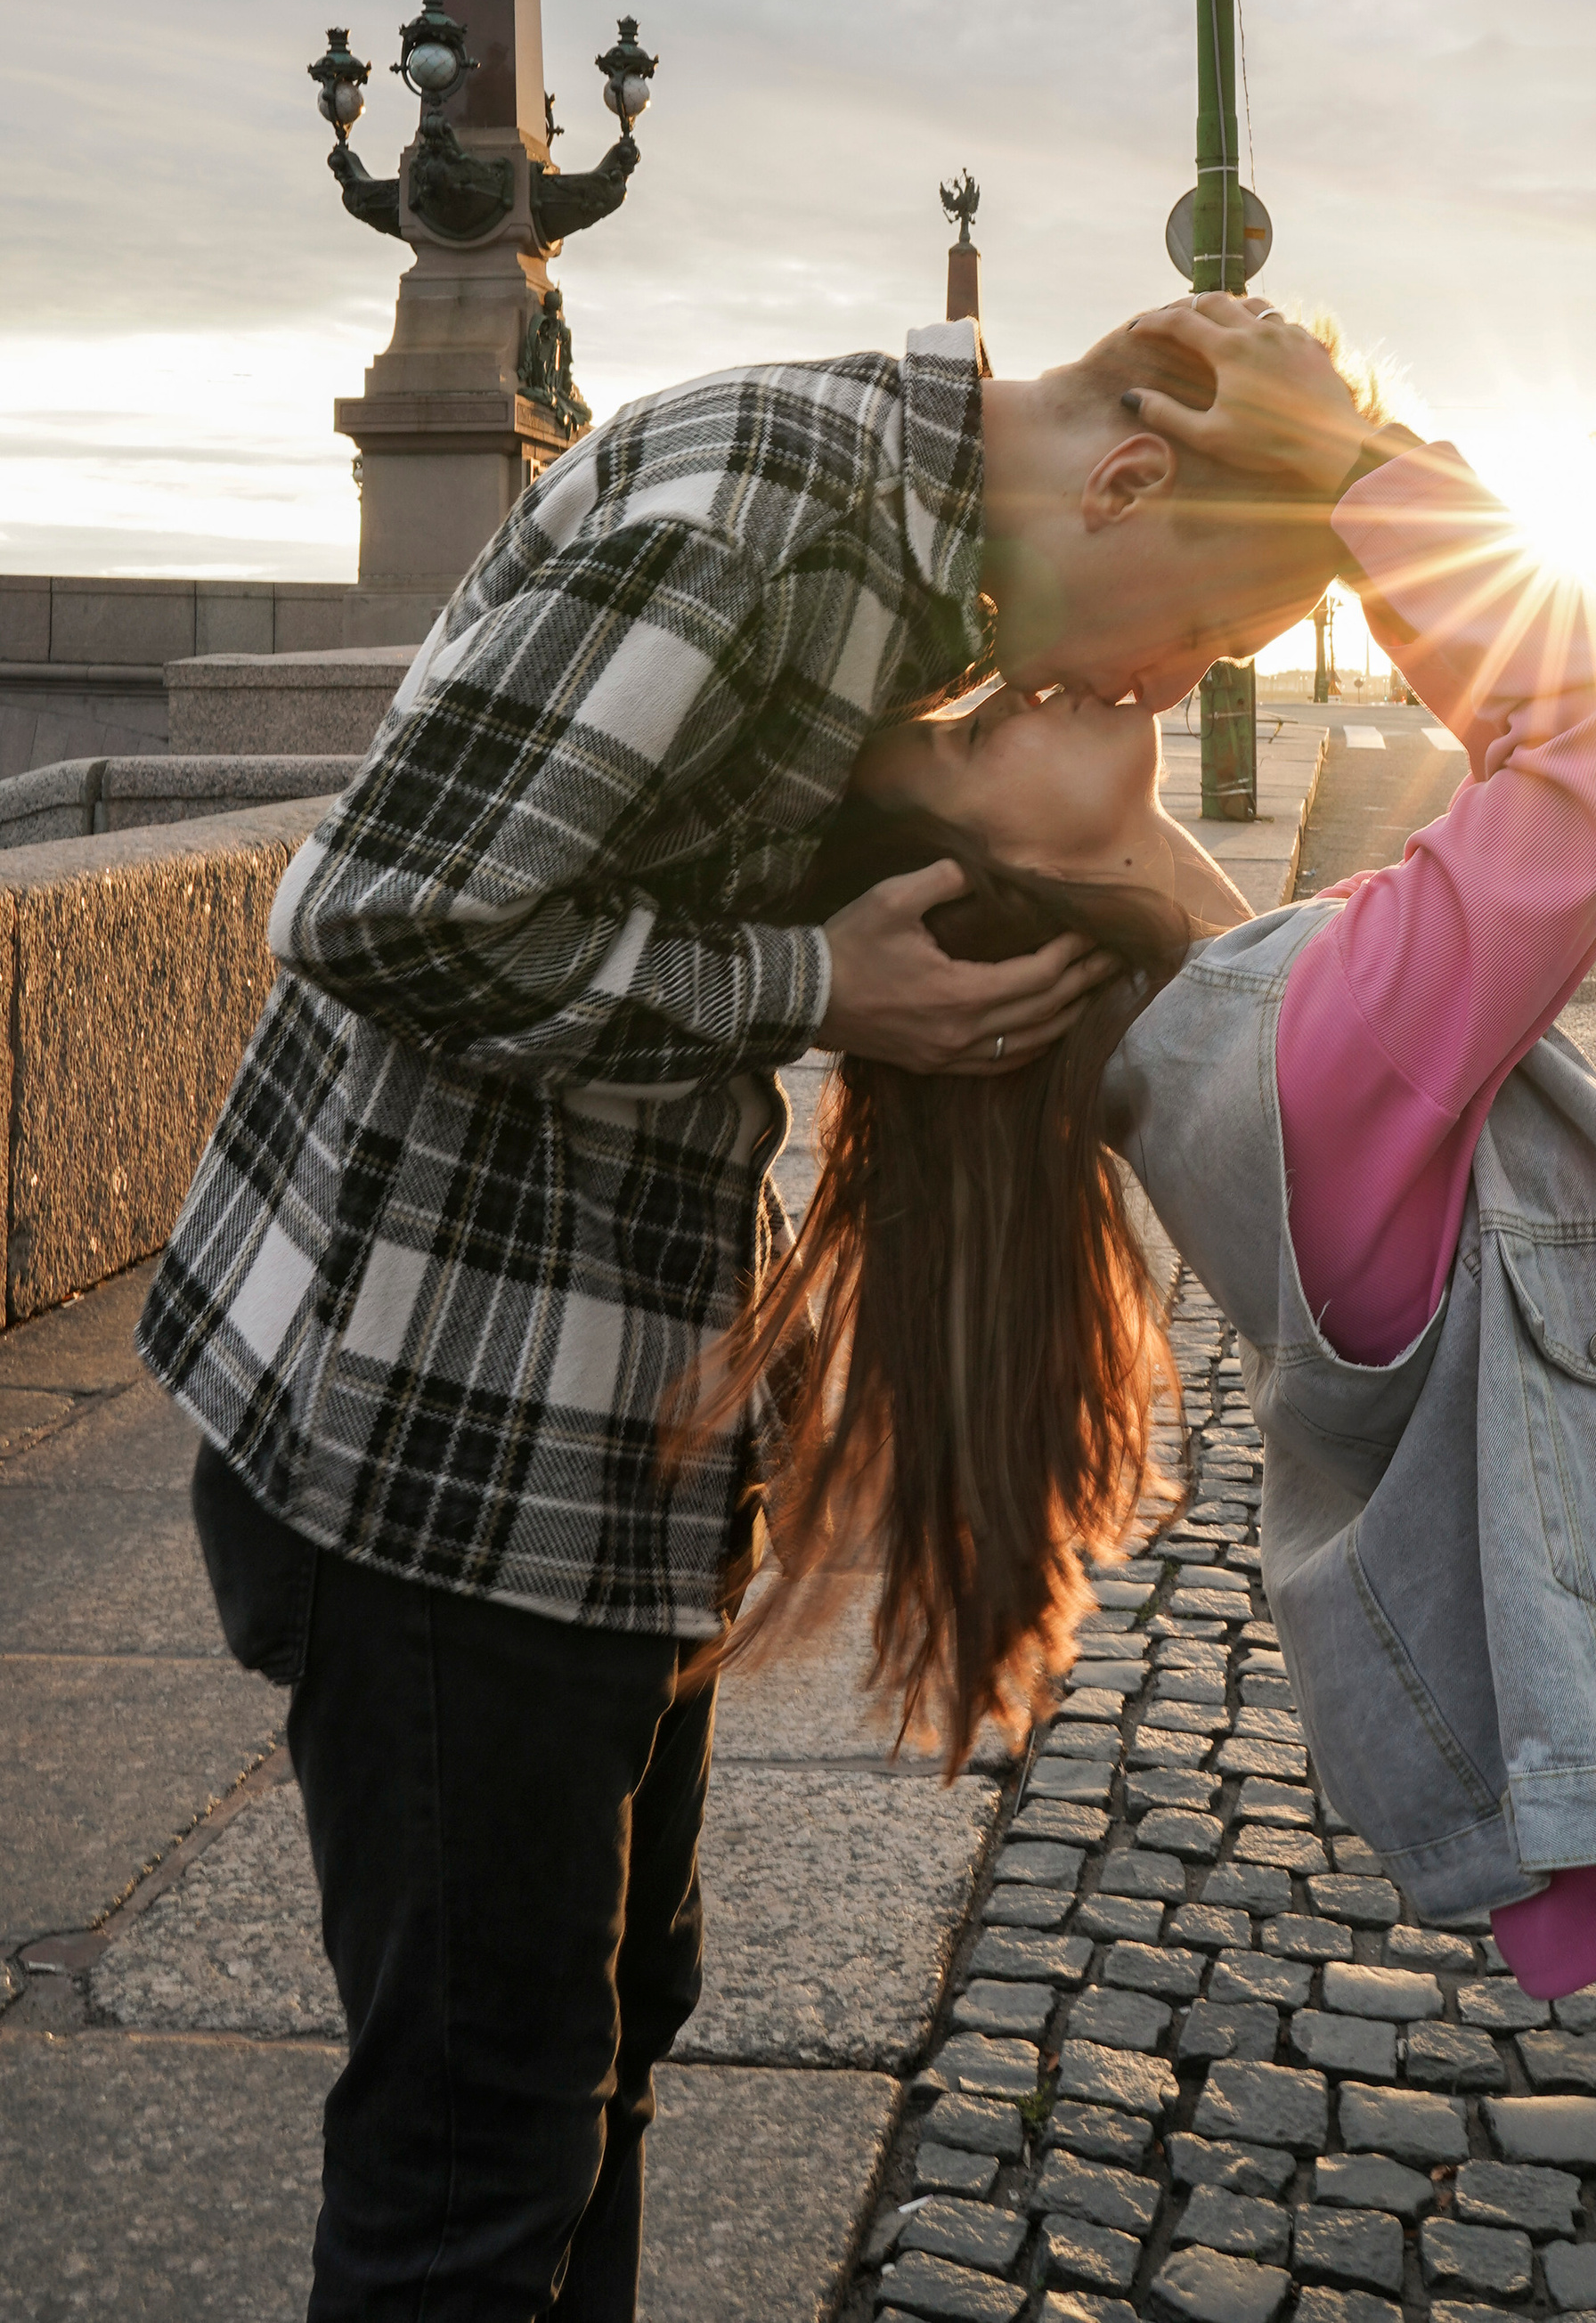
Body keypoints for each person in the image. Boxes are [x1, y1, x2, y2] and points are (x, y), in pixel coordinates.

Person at [735, 304, 1596, 2323]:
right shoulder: (1302, 1061)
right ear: (973, 893)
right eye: (970, 727)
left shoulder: (1242, 1042)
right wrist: (1357, 471)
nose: (1017, 680)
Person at [137, 298, 1347, 2323]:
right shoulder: (771, 509)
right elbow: (375, 910)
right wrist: (812, 989)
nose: (1158, 682)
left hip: (593, 1437)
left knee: (601, 2048)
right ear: (1126, 481)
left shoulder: (892, 566)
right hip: (440, 1446)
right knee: (477, 2157)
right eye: (1208, 640)